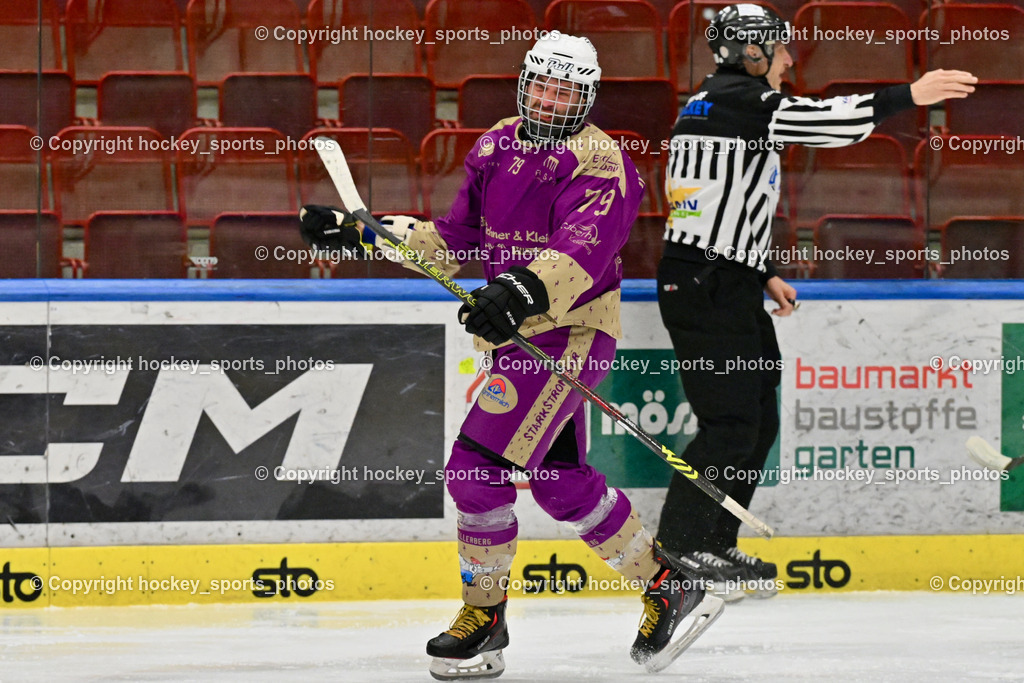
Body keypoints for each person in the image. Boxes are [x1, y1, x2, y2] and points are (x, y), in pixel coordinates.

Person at [299, 31, 724, 679]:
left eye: (567, 89)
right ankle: (668, 584)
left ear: (587, 97)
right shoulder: (496, 144)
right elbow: (452, 240)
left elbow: (579, 251)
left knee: (474, 467)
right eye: (543, 85)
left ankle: (484, 616)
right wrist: (366, 232)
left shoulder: (602, 163)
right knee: (559, 482)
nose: (551, 99)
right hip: (521, 337)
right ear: (525, 84)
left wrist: (514, 291)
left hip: (570, 334)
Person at [655, 3, 978, 601]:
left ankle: (714, 540)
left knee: (757, 418)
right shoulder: (740, 103)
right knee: (730, 423)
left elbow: (715, 198)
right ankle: (682, 546)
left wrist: (763, 272)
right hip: (705, 284)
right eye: (777, 47)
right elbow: (828, 122)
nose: (788, 57)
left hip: (721, 279)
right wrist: (911, 92)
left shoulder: (717, 104)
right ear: (748, 53)